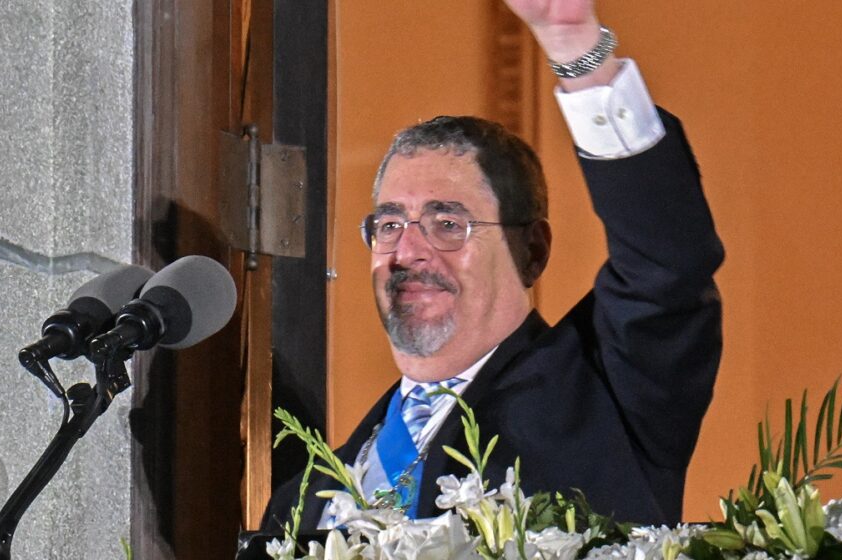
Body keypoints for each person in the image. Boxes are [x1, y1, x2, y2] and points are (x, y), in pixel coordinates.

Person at [263, 0, 723, 530]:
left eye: (447, 224)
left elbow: (668, 262)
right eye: (390, 225)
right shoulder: (303, 501)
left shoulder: (609, 394)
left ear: (533, 251)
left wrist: (576, 49)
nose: (408, 252)